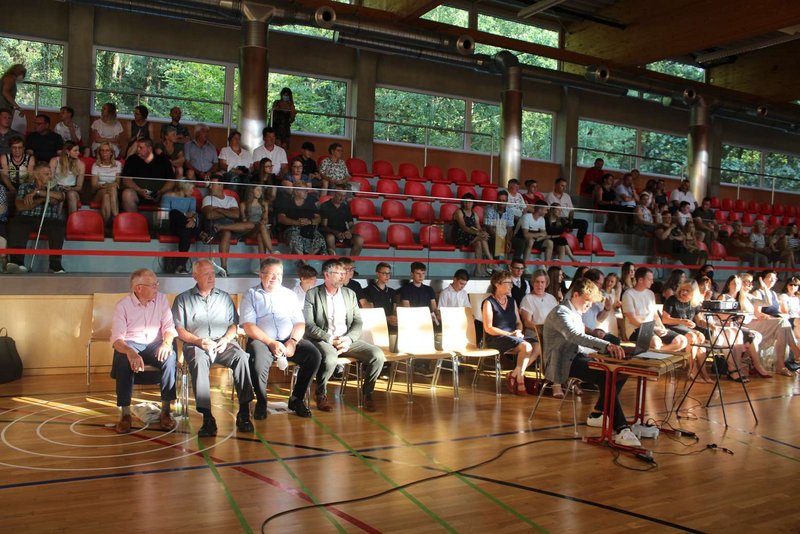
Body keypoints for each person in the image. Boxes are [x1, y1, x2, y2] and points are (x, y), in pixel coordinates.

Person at [542, 277, 645, 447]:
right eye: (587, 302)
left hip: (575, 357)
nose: (590, 306)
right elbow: (575, 336)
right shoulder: (561, 313)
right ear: (575, 295)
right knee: (606, 375)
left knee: (621, 370)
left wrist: (596, 353)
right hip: (561, 362)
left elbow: (580, 344)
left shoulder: (574, 313)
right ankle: (621, 428)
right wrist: (606, 346)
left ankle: (599, 413)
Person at [172, 260, 255, 436]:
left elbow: (233, 325)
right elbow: (179, 330)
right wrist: (198, 341)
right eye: (206, 274)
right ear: (195, 276)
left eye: (213, 274)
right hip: (197, 343)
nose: (211, 277)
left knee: (242, 357)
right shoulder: (182, 299)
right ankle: (207, 417)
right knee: (199, 361)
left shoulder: (224, 297)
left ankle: (244, 413)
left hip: (222, 342)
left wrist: (226, 339)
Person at [240, 258, 322, 418]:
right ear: (261, 275)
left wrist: (293, 341)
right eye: (271, 274)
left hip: (288, 340)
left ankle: (297, 398)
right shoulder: (251, 295)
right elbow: (248, 326)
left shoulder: (289, 295)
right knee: (257, 361)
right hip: (263, 341)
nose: (275, 278)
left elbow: (299, 323)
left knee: (314, 355)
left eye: (279, 274)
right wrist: (270, 342)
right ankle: (261, 401)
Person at [304, 258, 386, 412]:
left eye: (344, 272)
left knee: (377, 355)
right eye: (338, 273)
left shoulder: (350, 294)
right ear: (326, 275)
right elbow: (308, 325)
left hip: (346, 339)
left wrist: (348, 339)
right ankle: (321, 393)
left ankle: (367, 393)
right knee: (330, 358)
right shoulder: (313, 294)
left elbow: (357, 322)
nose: (343, 276)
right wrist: (330, 339)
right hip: (324, 339)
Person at [110, 268, 177, 434]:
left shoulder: (161, 300)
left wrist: (166, 343)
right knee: (123, 359)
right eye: (153, 285)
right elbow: (117, 339)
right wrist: (130, 352)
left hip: (155, 343)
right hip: (132, 343)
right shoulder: (122, 306)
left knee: (170, 357)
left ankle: (166, 411)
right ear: (138, 288)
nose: (157, 288)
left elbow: (169, 327)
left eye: (157, 284)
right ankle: (125, 414)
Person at [482, 270, 538, 396]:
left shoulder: (512, 301)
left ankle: (514, 374)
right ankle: (520, 380)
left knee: (537, 346)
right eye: (508, 283)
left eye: (511, 283)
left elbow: (519, 322)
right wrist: (510, 334)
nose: (511, 286)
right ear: (497, 284)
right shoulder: (488, 303)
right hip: (497, 338)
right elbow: (488, 328)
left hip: (513, 336)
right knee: (527, 347)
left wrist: (518, 330)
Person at [5, 162, 66, 274]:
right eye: (46, 174)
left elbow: (60, 197)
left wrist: (37, 193)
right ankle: (17, 263)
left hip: (48, 220)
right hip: (27, 218)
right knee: (17, 222)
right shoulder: (25, 186)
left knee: (58, 225)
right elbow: (20, 206)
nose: (50, 176)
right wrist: (42, 199)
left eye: (50, 173)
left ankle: (55, 266)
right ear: (37, 175)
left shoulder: (55, 187)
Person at [622, 267, 688, 352]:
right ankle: (655, 354)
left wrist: (662, 327)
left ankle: (657, 353)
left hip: (653, 327)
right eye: (649, 279)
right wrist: (654, 328)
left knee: (682, 340)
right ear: (640, 280)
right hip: (635, 329)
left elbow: (655, 315)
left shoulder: (650, 293)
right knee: (656, 342)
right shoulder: (628, 294)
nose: (652, 282)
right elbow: (632, 320)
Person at [202, 180, 255, 275]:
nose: (210, 187)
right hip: (215, 228)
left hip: (229, 226)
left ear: (220, 185)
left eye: (212, 185)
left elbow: (236, 215)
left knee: (251, 225)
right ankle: (224, 268)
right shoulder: (208, 198)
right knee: (227, 232)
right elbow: (210, 215)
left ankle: (223, 227)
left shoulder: (231, 199)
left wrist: (218, 209)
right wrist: (228, 212)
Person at [662, 281, 710, 382]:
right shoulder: (672, 300)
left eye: (687, 291)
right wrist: (682, 321)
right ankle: (693, 369)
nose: (683, 292)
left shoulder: (694, 303)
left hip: (685, 328)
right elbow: (665, 320)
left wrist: (707, 324)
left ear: (694, 292)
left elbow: (699, 320)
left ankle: (704, 372)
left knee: (700, 336)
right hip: (672, 327)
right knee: (692, 337)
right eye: (682, 290)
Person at [121, 139, 175, 212]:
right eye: (137, 147)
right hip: (138, 193)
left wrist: (161, 191)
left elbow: (171, 181)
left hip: (160, 194)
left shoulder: (163, 160)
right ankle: (134, 219)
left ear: (149, 149)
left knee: (171, 195)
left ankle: (162, 219)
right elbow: (126, 180)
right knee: (126, 194)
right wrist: (138, 190)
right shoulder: (131, 159)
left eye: (140, 148)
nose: (137, 150)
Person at [160, 180, 199, 274]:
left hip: (185, 228)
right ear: (184, 188)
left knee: (186, 232)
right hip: (170, 226)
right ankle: (200, 232)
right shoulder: (167, 197)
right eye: (191, 189)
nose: (193, 191)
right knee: (174, 212)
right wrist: (185, 215)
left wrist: (193, 219)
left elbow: (193, 214)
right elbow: (165, 215)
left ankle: (180, 266)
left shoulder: (192, 199)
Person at [453, 193, 492, 277]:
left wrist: (482, 232)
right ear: (463, 202)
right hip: (460, 236)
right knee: (480, 238)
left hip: (471, 237)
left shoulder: (474, 214)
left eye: (470, 202)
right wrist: (478, 233)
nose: (468, 204)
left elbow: (479, 228)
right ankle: (491, 260)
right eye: (466, 202)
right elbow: (463, 227)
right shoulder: (459, 212)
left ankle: (478, 270)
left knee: (479, 242)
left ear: (473, 203)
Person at [278, 187, 326, 255]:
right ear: (296, 191)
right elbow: (281, 218)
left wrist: (310, 221)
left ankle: (307, 258)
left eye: (306, 190)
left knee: (320, 239)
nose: (306, 192)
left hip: (309, 229)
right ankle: (302, 259)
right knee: (294, 238)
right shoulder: (286, 202)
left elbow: (318, 218)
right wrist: (297, 222)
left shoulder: (310, 203)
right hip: (292, 229)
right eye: (304, 190)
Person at [320, 188, 363, 256]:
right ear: (334, 194)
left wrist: (349, 232)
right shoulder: (325, 206)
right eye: (340, 195)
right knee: (330, 238)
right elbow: (324, 226)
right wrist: (336, 232)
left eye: (344, 196)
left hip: (343, 233)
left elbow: (351, 225)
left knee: (360, 240)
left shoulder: (346, 207)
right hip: (329, 232)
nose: (342, 198)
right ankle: (333, 261)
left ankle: (350, 261)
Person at [545, 178, 588, 242]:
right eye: (562, 186)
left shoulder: (567, 196)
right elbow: (549, 211)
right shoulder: (549, 196)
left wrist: (570, 221)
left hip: (566, 219)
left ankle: (579, 242)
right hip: (556, 220)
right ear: (556, 185)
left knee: (584, 223)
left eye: (565, 186)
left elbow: (571, 210)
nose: (564, 188)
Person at [520, 269, 559, 336]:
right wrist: (544, 330)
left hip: (552, 334)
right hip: (536, 335)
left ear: (546, 284)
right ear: (533, 283)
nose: (539, 285)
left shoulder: (552, 298)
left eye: (542, 282)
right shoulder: (527, 299)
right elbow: (527, 322)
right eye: (537, 282)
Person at [49, 141, 85, 215]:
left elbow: (79, 187)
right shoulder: (54, 161)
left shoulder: (81, 164)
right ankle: (56, 219)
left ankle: (73, 219)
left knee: (71, 194)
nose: (78, 153)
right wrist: (59, 188)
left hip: (73, 189)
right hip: (56, 188)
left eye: (78, 150)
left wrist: (71, 188)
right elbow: (50, 180)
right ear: (67, 151)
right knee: (60, 194)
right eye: (75, 150)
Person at [91, 142, 122, 224]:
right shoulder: (96, 165)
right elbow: (94, 186)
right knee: (111, 189)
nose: (104, 152)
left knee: (107, 196)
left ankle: (105, 224)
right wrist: (106, 186)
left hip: (112, 192)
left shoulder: (118, 164)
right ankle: (116, 217)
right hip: (99, 192)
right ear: (99, 152)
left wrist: (109, 186)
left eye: (107, 150)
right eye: (102, 150)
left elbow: (117, 183)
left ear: (111, 152)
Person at [363, 262, 398, 331]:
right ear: (377, 274)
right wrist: (387, 318)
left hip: (391, 326)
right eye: (384, 273)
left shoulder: (392, 292)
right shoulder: (368, 290)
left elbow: (394, 309)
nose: (387, 276)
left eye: (389, 273)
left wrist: (394, 319)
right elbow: (370, 312)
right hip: (375, 326)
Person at [241, 184, 274, 256]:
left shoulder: (264, 203)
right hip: (250, 230)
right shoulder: (243, 204)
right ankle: (272, 252)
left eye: (261, 190)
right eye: (258, 190)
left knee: (260, 235)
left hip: (262, 228)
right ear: (252, 190)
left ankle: (263, 261)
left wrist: (264, 221)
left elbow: (266, 219)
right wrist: (255, 224)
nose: (260, 192)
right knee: (261, 227)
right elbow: (244, 221)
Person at [484, 189, 515, 260]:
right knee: (497, 240)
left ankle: (512, 264)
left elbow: (510, 228)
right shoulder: (490, 210)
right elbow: (489, 228)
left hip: (504, 235)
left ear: (506, 201)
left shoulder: (510, 212)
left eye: (504, 200)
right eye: (500, 200)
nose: (501, 202)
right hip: (492, 236)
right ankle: (496, 263)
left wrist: (507, 239)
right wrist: (500, 238)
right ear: (497, 200)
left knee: (519, 242)